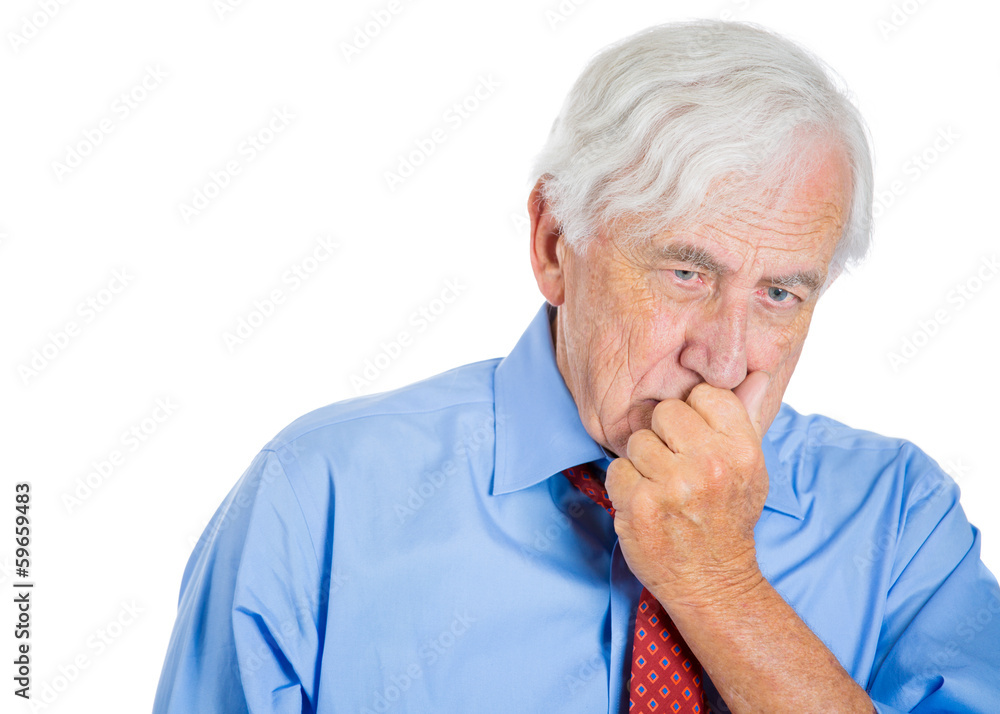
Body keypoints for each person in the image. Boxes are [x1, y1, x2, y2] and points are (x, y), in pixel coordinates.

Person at [153, 19, 1000, 714]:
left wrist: (722, 588)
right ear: (555, 244)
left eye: (780, 293)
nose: (725, 358)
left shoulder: (900, 521)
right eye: (686, 272)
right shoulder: (320, 498)